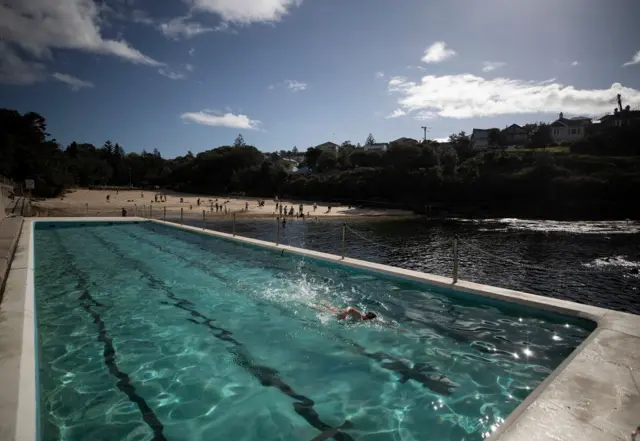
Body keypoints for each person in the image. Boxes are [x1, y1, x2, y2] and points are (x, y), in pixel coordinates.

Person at [312, 301, 377, 322]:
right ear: (368, 318)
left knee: (329, 306)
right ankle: (310, 303)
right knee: (318, 309)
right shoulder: (360, 317)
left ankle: (316, 299)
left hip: (339, 311)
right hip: (339, 313)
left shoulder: (361, 317)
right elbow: (350, 308)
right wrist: (344, 314)